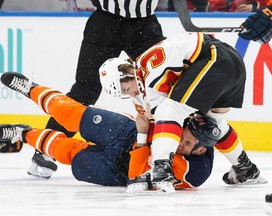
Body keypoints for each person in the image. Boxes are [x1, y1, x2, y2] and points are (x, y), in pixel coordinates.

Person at [0, 0, 166, 179]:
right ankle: (45, 149)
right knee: (85, 90)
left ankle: (172, 143)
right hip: (105, 22)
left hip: (144, 25)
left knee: (161, 84)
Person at [0, 71, 221, 192]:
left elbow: (136, 176)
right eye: (182, 136)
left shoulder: (192, 172)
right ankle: (32, 89)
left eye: (187, 146)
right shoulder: (199, 127)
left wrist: (143, 134)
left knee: (67, 151)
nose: (178, 143)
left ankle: (24, 134)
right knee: (73, 114)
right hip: (126, 133)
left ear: (201, 151)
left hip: (120, 170)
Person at [98, 32, 267, 186]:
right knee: (215, 123)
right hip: (233, 65)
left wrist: (154, 145)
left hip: (215, 59)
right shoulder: (144, 78)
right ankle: (246, 168)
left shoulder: (146, 69)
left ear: (127, 72)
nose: (132, 93)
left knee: (169, 110)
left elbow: (168, 113)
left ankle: (161, 169)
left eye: (126, 89)